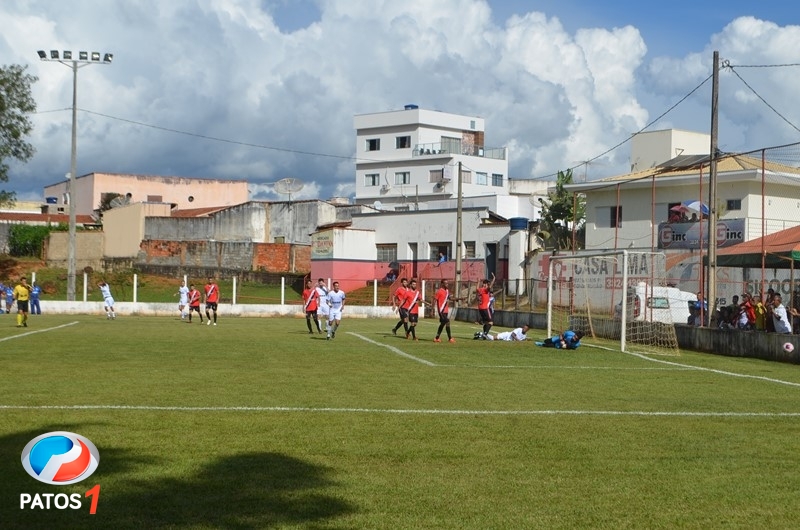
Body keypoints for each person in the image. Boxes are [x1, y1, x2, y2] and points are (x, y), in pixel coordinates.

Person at [433, 279, 461, 343]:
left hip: (445, 311)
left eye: (447, 283)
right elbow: (435, 299)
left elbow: (450, 298)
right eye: (446, 283)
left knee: (442, 324)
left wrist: (459, 299)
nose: (447, 284)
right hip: (441, 311)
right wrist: (432, 309)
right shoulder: (439, 291)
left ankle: (436, 338)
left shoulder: (447, 291)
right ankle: (450, 338)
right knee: (447, 322)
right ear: (442, 284)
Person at [476, 272, 496, 339]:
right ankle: (485, 334)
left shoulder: (480, 290)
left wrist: (478, 282)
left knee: (485, 322)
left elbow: (476, 289)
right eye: (487, 284)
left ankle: (483, 336)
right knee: (491, 322)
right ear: (485, 285)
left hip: (480, 308)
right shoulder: (485, 290)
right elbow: (490, 287)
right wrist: (494, 279)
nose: (488, 285)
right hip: (485, 308)